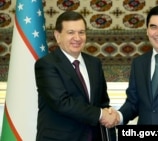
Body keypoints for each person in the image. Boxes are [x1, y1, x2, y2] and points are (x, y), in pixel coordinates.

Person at [34, 11, 119, 141]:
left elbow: (102, 101)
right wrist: (101, 115)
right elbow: (62, 103)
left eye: (81, 32)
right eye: (71, 32)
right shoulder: (46, 65)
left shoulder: (94, 63)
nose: (77, 38)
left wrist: (111, 114)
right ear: (58, 36)